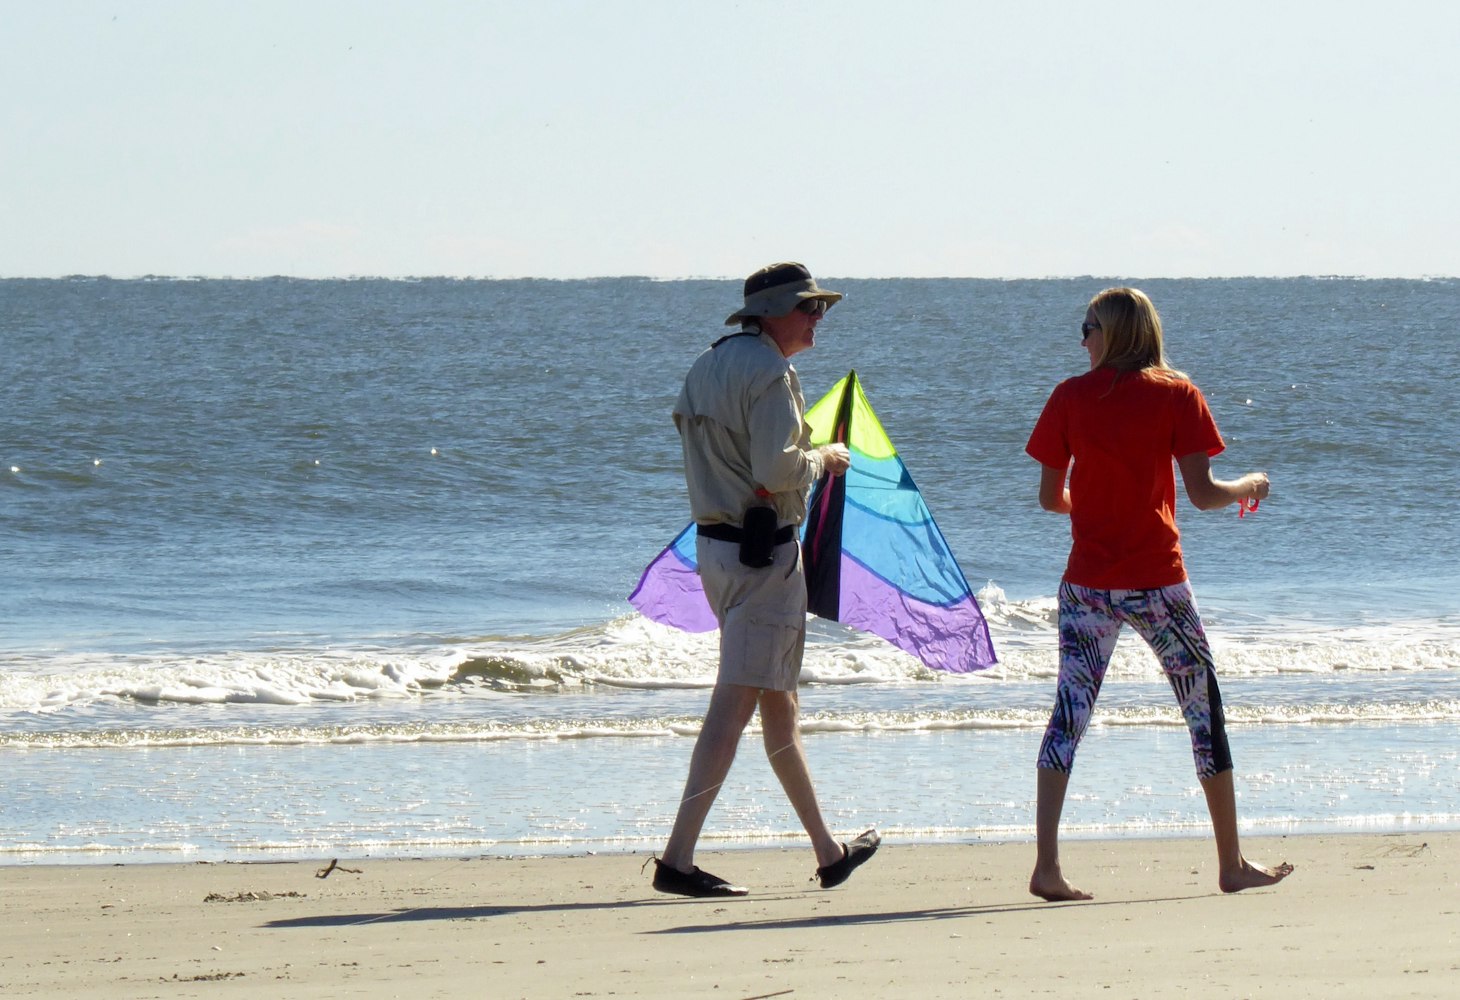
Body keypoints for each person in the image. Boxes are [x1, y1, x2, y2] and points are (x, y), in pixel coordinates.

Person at [1024, 286, 1293, 900]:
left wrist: (1087, 508)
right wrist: (1249, 484)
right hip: (1157, 585)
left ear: (1112, 332)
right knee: (1203, 712)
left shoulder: (1068, 397)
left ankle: (1046, 867)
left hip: (1088, 585)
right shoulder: (1177, 394)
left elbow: (1048, 498)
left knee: (1069, 714)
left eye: (1088, 327)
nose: (1083, 338)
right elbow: (1203, 494)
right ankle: (1230, 863)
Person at [650, 262, 880, 897]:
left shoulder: (710, 363)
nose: (817, 319)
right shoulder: (770, 372)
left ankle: (829, 852)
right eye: (809, 309)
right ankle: (677, 859)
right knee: (735, 707)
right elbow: (779, 470)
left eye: (820, 309)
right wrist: (826, 457)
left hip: (719, 551)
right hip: (764, 561)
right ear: (775, 312)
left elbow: (711, 447)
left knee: (780, 708)